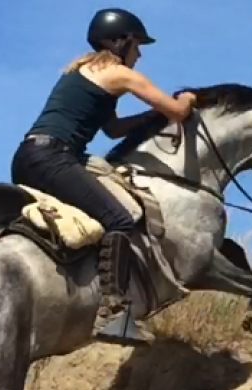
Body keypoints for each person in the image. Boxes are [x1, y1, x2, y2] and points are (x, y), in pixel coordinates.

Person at [13, 7, 196, 345]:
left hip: (28, 156)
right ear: (119, 41)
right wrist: (187, 98)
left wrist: (147, 119)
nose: (139, 54)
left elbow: (112, 130)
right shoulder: (118, 73)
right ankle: (114, 313)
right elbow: (178, 111)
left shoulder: (83, 71)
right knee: (120, 220)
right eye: (137, 45)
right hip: (54, 158)